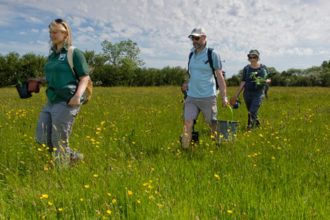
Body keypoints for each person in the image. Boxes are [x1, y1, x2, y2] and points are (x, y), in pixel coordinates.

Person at [31, 18, 90, 166]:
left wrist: (77, 96)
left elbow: (84, 77)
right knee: (42, 139)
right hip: (51, 100)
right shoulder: (52, 55)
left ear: (65, 33)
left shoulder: (74, 53)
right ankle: (76, 157)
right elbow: (54, 76)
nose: (52, 35)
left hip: (67, 101)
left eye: (55, 31)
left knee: (59, 142)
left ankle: (61, 173)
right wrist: (39, 80)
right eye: (50, 32)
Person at [181, 27, 228, 149]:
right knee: (187, 123)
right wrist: (188, 85)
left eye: (197, 38)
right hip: (191, 97)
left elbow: (219, 77)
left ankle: (219, 147)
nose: (194, 41)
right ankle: (184, 151)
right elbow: (194, 75)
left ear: (204, 37)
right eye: (192, 38)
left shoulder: (212, 54)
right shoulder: (191, 54)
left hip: (208, 97)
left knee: (212, 124)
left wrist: (224, 97)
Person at [231, 50, 270, 130]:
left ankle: (250, 128)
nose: (252, 59)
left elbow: (269, 79)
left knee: (252, 111)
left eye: (254, 57)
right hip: (247, 93)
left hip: (259, 92)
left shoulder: (263, 68)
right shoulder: (246, 68)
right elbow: (243, 81)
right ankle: (258, 125)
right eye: (250, 57)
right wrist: (236, 95)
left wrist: (264, 81)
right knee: (251, 112)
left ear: (258, 58)